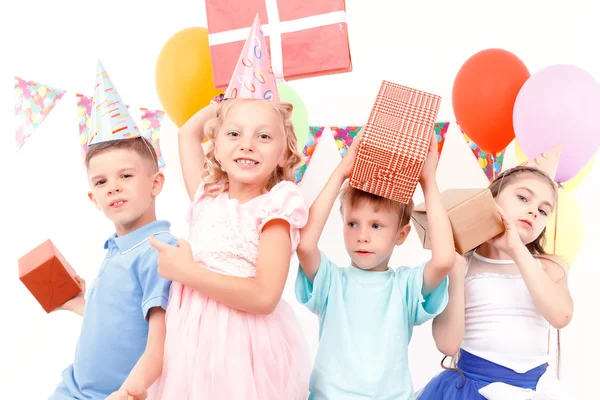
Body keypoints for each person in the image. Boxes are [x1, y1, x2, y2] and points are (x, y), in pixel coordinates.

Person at [295, 130, 455, 399]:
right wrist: (341, 173)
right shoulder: (331, 280)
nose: (362, 235)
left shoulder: (405, 286)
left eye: (377, 225)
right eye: (352, 223)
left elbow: (444, 260)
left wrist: (428, 181)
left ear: (401, 235)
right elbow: (305, 245)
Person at [50, 62, 176, 400]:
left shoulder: (159, 250)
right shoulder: (116, 248)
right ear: (93, 197)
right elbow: (117, 319)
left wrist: (129, 392)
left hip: (118, 395)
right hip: (74, 387)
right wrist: (80, 303)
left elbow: (160, 339)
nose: (113, 188)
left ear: (156, 182)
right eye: (102, 182)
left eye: (126, 176)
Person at [416, 162, 573, 399]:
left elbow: (561, 316)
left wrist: (516, 249)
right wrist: (455, 273)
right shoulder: (464, 264)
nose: (533, 211)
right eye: (523, 198)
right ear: (491, 198)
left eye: (543, 211)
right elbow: (447, 345)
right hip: (472, 389)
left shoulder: (549, 267)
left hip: (534, 390)